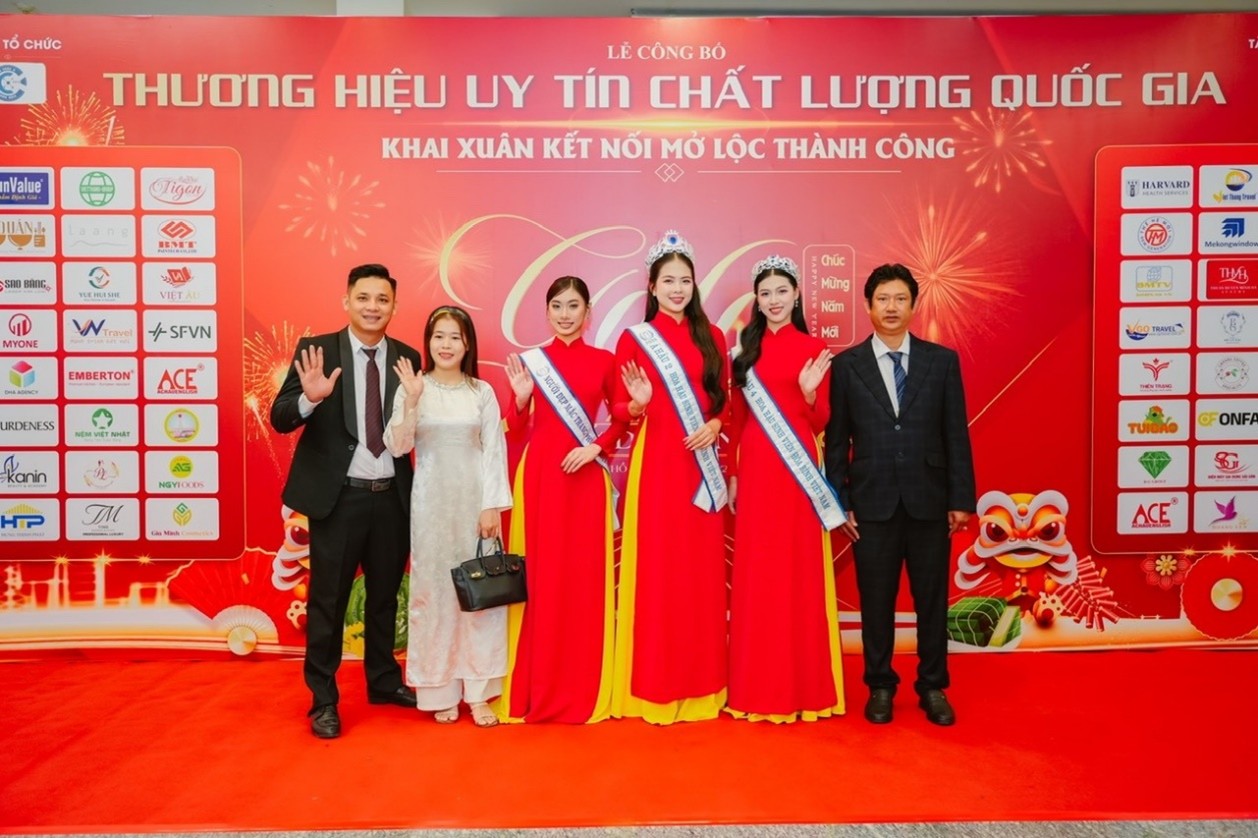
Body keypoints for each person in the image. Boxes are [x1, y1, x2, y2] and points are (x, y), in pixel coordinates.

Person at [270, 263, 422, 740]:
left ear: (394, 305)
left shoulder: (408, 357)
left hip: (391, 497)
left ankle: (384, 681)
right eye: (364, 298)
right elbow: (279, 417)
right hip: (338, 500)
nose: (373, 307)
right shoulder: (317, 351)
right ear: (347, 301)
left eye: (382, 299)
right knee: (328, 602)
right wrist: (310, 399)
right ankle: (324, 699)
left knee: (384, 597)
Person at [825, 263, 976, 726]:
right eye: (882, 299)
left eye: (900, 299)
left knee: (931, 600)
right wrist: (840, 501)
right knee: (876, 601)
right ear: (868, 306)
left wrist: (961, 499)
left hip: (930, 501)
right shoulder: (846, 366)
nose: (891, 307)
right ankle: (880, 685)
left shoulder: (941, 361)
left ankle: (932, 686)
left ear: (913, 305)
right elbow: (837, 441)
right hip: (871, 504)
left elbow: (956, 434)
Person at [611, 230, 730, 724]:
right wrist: (637, 406)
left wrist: (717, 424)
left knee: (701, 578)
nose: (677, 289)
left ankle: (702, 686)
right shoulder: (634, 338)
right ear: (652, 287)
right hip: (658, 466)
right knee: (659, 576)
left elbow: (726, 400)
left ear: (694, 284)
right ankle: (655, 685)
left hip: (701, 471)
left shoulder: (713, 336)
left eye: (685, 280)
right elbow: (619, 408)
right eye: (668, 281)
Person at [497, 276, 627, 724]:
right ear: (547, 311)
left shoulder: (604, 361)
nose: (565, 314)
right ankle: (537, 683)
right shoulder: (532, 362)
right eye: (557, 306)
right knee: (543, 578)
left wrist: (596, 448)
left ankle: (582, 684)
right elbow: (514, 429)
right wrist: (520, 401)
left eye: (574, 306)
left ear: (588, 312)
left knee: (583, 580)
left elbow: (623, 418)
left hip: (586, 479)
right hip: (541, 479)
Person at [726, 255, 845, 723]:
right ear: (757, 300)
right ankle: (757, 686)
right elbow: (736, 420)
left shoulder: (815, 348)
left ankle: (802, 685)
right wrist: (733, 474)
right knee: (759, 572)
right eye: (765, 293)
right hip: (756, 468)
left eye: (781, 291)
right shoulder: (745, 351)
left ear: (796, 295)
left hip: (798, 471)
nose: (773, 300)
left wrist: (810, 393)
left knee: (798, 570)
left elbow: (822, 421)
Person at [383, 305, 513, 728]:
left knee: (480, 597)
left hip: (475, 507)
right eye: (438, 336)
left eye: (454, 336)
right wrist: (411, 401)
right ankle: (440, 690)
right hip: (431, 508)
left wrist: (491, 504)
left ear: (467, 343)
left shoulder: (482, 392)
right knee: (436, 595)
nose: (446, 344)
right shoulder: (414, 387)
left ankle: (478, 693)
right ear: (428, 341)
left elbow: (493, 451)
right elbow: (398, 446)